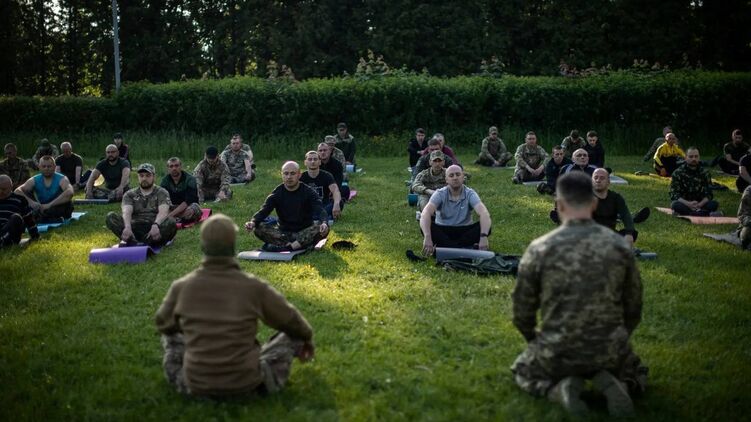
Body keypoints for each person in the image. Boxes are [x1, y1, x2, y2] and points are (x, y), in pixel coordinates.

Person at [511, 172, 646, 416]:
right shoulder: (619, 247)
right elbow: (634, 306)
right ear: (594, 204)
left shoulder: (540, 249)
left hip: (558, 350)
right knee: (636, 369)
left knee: (523, 368)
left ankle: (557, 389)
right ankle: (621, 384)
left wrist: (536, 341)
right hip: (609, 350)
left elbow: (522, 312)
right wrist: (618, 338)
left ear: (559, 206)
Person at [155, 213, 315, 397]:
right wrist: (306, 338)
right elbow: (293, 321)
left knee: (171, 336)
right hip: (248, 384)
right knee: (292, 334)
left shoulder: (182, 287)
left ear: (203, 246)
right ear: (233, 247)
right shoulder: (253, 287)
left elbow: (163, 322)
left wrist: (194, 332)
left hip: (195, 385)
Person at [245, 161, 329, 252]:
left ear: (299, 175)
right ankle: (296, 245)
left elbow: (320, 210)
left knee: (321, 227)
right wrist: (252, 222)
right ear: (282, 175)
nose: (289, 177)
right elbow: (264, 211)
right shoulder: (277, 193)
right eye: (286, 173)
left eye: (292, 173)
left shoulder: (309, 192)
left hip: (304, 231)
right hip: (283, 234)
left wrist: (324, 222)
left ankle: (286, 247)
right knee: (258, 227)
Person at [420, 165, 491, 255]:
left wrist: (483, 237)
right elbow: (425, 213)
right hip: (444, 230)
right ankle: (465, 249)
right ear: (446, 179)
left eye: (458, 174)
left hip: (464, 231)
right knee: (426, 226)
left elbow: (484, 213)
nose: (455, 178)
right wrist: (427, 236)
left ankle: (445, 249)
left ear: (463, 177)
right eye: (451, 175)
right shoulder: (439, 194)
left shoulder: (470, 193)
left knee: (485, 226)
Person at [105, 163, 176, 247]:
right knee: (111, 216)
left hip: (154, 227)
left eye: (148, 176)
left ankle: (146, 242)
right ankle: (132, 239)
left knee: (171, 221)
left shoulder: (162, 192)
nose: (144, 178)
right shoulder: (129, 194)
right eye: (141, 176)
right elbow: (127, 212)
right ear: (138, 177)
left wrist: (156, 225)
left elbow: (163, 212)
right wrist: (127, 227)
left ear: (154, 177)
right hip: (134, 227)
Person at [592, 168, 650, 246]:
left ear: (608, 182)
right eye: (595, 177)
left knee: (632, 234)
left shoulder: (616, 198)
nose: (598, 180)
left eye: (602, 178)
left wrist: (629, 233)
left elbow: (626, 215)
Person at [15, 155, 74, 222]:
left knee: (65, 202)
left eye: (49, 166)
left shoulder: (62, 179)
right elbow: (17, 191)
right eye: (44, 166)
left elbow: (70, 192)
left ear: (54, 167)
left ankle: (42, 217)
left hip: (57, 207)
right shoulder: (34, 180)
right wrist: (32, 203)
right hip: (42, 208)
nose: (46, 169)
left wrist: (49, 205)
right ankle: (44, 217)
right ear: (39, 167)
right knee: (24, 194)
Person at [670, 147, 719, 216]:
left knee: (714, 204)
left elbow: (709, 194)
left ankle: (692, 213)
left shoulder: (705, 173)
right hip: (684, 203)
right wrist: (688, 204)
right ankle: (702, 213)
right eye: (691, 157)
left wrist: (699, 204)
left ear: (699, 158)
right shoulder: (678, 173)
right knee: (675, 204)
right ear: (685, 158)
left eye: (696, 156)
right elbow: (674, 194)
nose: (694, 159)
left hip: (700, 203)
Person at [300, 151, 342, 221]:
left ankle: (316, 218)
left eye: (315, 159)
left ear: (320, 162)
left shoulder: (327, 175)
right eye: (310, 159)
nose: (313, 162)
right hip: (308, 207)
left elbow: (335, 191)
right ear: (305, 162)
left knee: (340, 202)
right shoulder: (301, 177)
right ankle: (324, 217)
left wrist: (336, 204)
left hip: (324, 206)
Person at [0, 174, 39, 248]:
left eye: (4, 189)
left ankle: (2, 241)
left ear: (11, 187)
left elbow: (29, 220)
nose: (1, 192)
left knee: (16, 218)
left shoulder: (19, 200)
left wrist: (35, 236)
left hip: (12, 233)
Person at [160, 157, 202, 225]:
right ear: (168, 169)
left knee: (193, 210)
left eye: (176, 165)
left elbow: (188, 201)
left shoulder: (190, 179)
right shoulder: (165, 181)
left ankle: (174, 219)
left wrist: (170, 215)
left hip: (187, 207)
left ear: (181, 167)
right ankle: (178, 219)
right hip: (172, 207)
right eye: (171, 166)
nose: (174, 168)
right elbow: (162, 200)